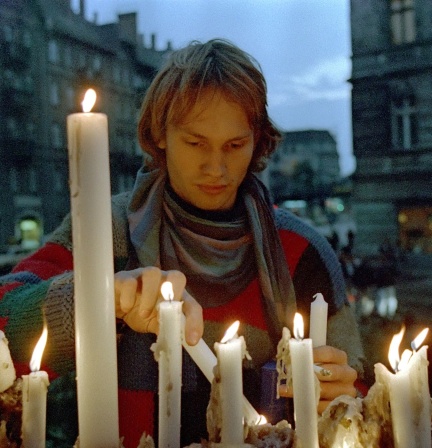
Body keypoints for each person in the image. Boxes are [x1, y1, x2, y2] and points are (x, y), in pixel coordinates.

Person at [0, 39, 365, 447]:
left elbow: (364, 402)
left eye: (234, 145)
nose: (216, 167)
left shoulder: (301, 250)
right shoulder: (103, 233)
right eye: (195, 143)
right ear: (160, 134)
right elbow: (6, 319)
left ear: (258, 140)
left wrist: (343, 397)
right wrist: (95, 299)